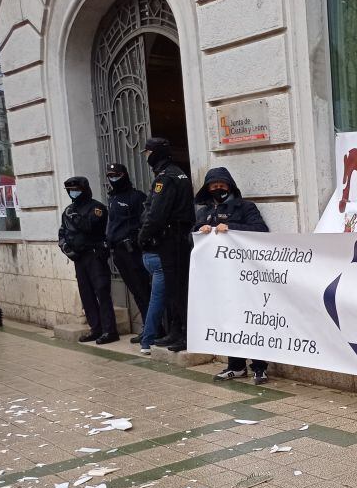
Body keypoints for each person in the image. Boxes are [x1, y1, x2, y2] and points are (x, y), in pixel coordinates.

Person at [194, 167, 271, 385]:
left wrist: (231, 228)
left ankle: (259, 367)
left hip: (245, 275)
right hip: (219, 277)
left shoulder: (246, 207)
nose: (218, 189)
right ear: (208, 189)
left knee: (251, 320)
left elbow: (260, 230)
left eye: (222, 185)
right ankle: (236, 366)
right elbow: (193, 238)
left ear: (230, 186)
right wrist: (201, 231)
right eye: (214, 186)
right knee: (228, 320)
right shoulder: (204, 212)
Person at [137, 138, 192, 353]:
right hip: (177, 237)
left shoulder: (165, 178)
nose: (147, 157)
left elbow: (156, 214)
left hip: (172, 239)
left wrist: (143, 235)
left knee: (177, 289)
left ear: (156, 153)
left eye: (148, 153)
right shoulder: (178, 173)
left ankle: (185, 333)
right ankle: (177, 330)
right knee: (175, 287)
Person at [58, 176, 118, 344]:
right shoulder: (68, 210)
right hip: (79, 258)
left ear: (84, 189)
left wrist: (75, 216)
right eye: (70, 190)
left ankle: (109, 330)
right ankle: (95, 328)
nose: (73, 193)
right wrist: (66, 248)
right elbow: (62, 232)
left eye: (75, 190)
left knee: (102, 292)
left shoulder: (97, 208)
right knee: (86, 294)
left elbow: (89, 227)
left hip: (94, 255)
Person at [105, 163, 150, 343]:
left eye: (116, 175)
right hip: (118, 252)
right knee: (136, 291)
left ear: (124, 175)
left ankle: (153, 328)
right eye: (110, 175)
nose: (113, 178)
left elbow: (146, 221)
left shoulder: (137, 197)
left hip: (133, 251)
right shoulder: (112, 198)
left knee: (143, 290)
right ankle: (148, 326)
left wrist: (136, 239)